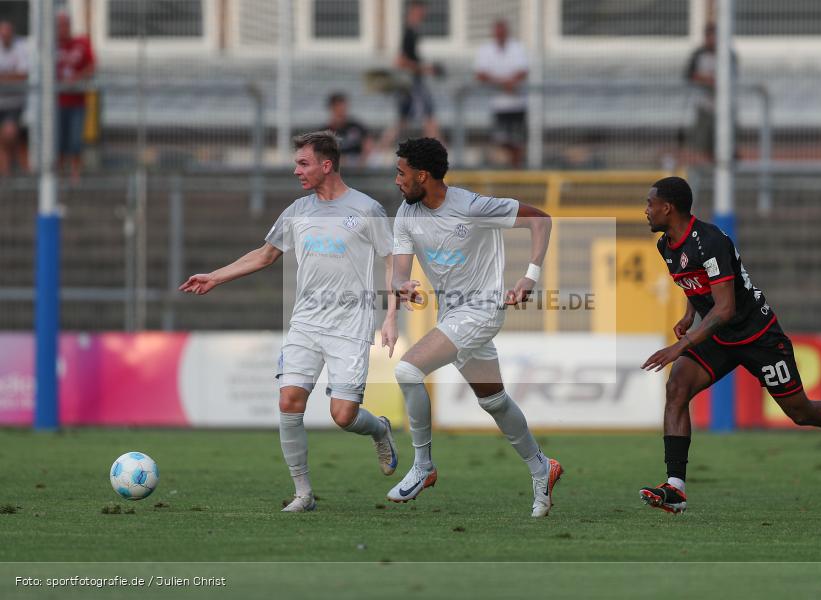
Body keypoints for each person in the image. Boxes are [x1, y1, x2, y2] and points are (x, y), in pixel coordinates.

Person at [639, 176, 821, 513]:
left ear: (667, 207)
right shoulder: (666, 246)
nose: (645, 210)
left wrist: (680, 345)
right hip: (718, 335)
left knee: (801, 412)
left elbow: (726, 307)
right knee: (677, 388)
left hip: (757, 335)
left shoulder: (709, 241)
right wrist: (690, 315)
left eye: (649, 204)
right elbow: (699, 284)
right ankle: (675, 488)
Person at [180, 131, 399, 513]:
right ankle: (303, 494)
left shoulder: (367, 210)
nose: (296, 170)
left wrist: (392, 314)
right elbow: (265, 255)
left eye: (303, 163)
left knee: (343, 416)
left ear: (326, 165)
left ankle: (379, 429)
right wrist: (215, 276)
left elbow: (394, 261)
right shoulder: (298, 210)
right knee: (289, 401)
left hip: (351, 324)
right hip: (306, 323)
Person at [388, 137, 562, 517]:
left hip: (481, 311)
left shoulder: (472, 206)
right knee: (494, 401)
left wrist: (529, 277)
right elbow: (400, 269)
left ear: (423, 175)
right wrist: (403, 285)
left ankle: (423, 466)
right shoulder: (406, 213)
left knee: (407, 369)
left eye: (401, 173)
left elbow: (540, 220)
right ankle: (541, 467)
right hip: (452, 316)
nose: (396, 180)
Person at [381, 1, 440, 147]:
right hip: (413, 84)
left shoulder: (412, 31)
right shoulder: (409, 32)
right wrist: (426, 69)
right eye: (420, 11)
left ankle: (379, 148)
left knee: (403, 120)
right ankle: (437, 155)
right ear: (414, 11)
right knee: (429, 116)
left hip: (411, 84)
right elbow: (401, 61)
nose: (423, 14)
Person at [474, 20, 528, 168]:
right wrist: (503, 84)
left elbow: (523, 71)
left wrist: (508, 82)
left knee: (518, 142)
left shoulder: (516, 48)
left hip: (517, 105)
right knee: (501, 140)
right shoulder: (486, 50)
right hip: (499, 106)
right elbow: (480, 74)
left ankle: (516, 172)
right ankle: (509, 168)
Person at [684, 23, 736, 163]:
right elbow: (689, 75)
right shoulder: (698, 54)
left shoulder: (727, 54)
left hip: (723, 106)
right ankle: (706, 166)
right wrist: (707, 80)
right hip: (704, 105)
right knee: (702, 140)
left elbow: (731, 76)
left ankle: (722, 165)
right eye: (709, 36)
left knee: (724, 139)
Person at [56, 12, 95, 181]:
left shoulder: (81, 43)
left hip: (77, 101)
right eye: (59, 25)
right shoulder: (52, 45)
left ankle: (75, 174)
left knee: (75, 139)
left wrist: (76, 79)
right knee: (58, 139)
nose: (62, 29)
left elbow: (92, 66)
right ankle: (57, 173)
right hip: (57, 102)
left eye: (65, 25)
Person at [0, 20, 28, 176]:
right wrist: (11, 77)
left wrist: (4, 78)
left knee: (9, 133)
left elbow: (23, 75)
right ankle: (5, 171)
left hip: (14, 102)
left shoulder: (20, 47)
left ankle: (10, 167)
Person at [321, 92, 372, 168]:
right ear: (332, 108)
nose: (342, 111)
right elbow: (322, 154)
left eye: (344, 108)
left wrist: (362, 161)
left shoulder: (357, 127)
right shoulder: (324, 132)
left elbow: (368, 145)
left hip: (357, 166)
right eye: (338, 108)